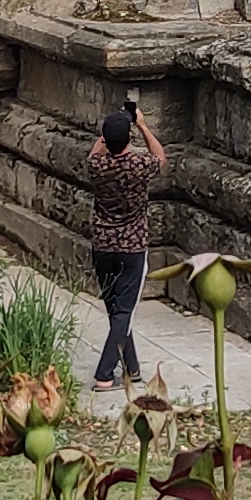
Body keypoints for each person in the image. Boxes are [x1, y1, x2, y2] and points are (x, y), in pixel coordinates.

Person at [85, 96, 167, 389]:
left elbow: (96, 150)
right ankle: (104, 375)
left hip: (103, 247)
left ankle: (131, 368)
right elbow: (161, 158)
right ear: (129, 138)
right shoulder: (139, 165)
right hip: (132, 247)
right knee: (124, 312)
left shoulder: (95, 165)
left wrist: (109, 133)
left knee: (116, 310)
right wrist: (142, 126)